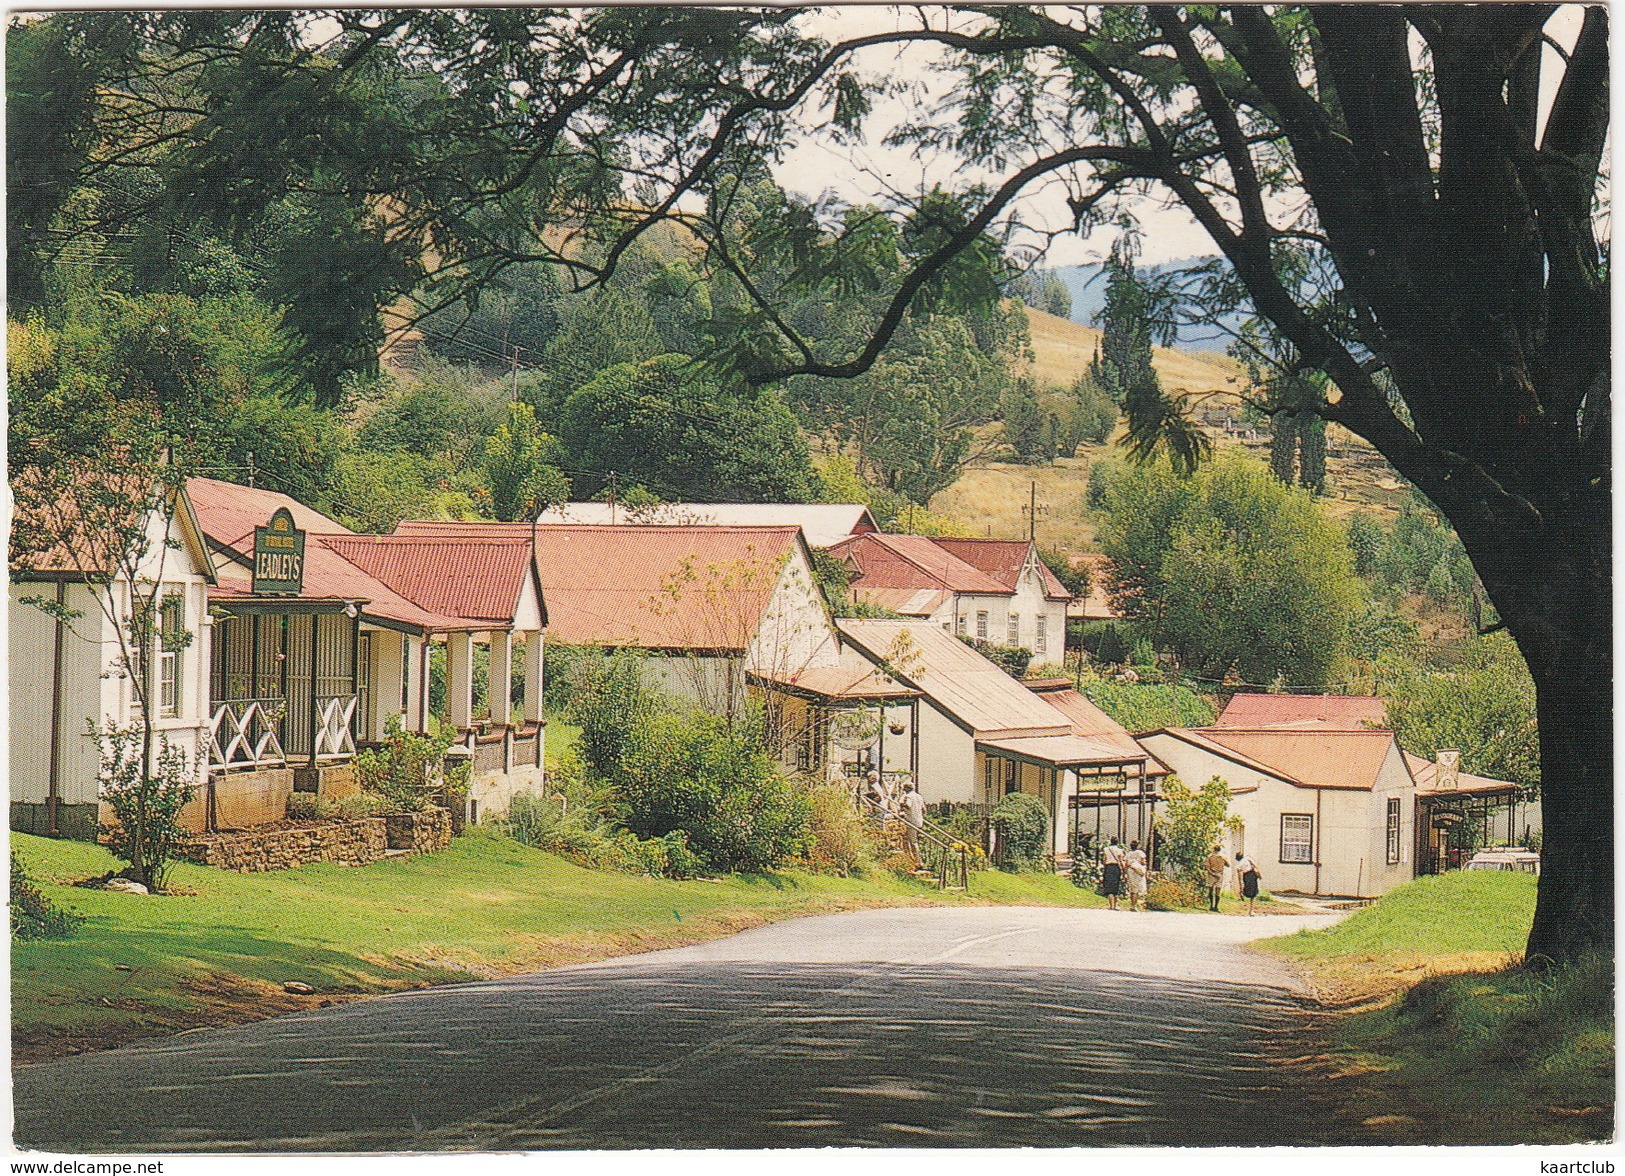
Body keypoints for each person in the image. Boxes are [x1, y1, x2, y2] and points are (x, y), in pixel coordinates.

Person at [898, 783, 926, 870]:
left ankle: (917, 862)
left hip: (911, 821)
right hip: (918, 821)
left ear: (906, 789)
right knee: (908, 840)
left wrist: (902, 803)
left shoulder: (909, 796)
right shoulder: (919, 796)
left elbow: (908, 805)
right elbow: (924, 810)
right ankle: (911, 860)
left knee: (912, 842)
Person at [1100, 836, 1125, 910]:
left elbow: (1104, 860)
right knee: (1116, 885)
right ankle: (1116, 904)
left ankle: (1111, 905)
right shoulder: (1119, 850)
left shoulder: (1106, 849)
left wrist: (1105, 867)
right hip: (1116, 867)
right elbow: (1121, 861)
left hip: (1108, 867)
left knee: (1109, 885)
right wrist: (1123, 870)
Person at [1124, 839, 1150, 911]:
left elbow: (1126, 863)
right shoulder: (1140, 853)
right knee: (1136, 889)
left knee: (1132, 889)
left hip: (1130, 870)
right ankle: (1133, 905)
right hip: (1137, 870)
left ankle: (1132, 904)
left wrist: (1125, 873)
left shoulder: (1128, 853)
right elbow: (1143, 861)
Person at [1235, 851, 1262, 915]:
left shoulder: (1239, 865)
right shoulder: (1248, 858)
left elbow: (1239, 876)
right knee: (1254, 893)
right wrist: (1259, 874)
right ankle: (1251, 910)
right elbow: (1255, 866)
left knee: (1248, 891)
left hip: (1246, 875)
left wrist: (1241, 885)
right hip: (1252, 874)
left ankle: (1242, 894)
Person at [1204, 845, 1229, 912]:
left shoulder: (1209, 857)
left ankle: (1211, 906)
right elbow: (1228, 865)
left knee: (1211, 890)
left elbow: (1207, 867)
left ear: (1214, 849)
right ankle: (1216, 907)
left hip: (1211, 874)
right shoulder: (1223, 857)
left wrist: (1212, 873)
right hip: (1220, 874)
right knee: (1218, 891)